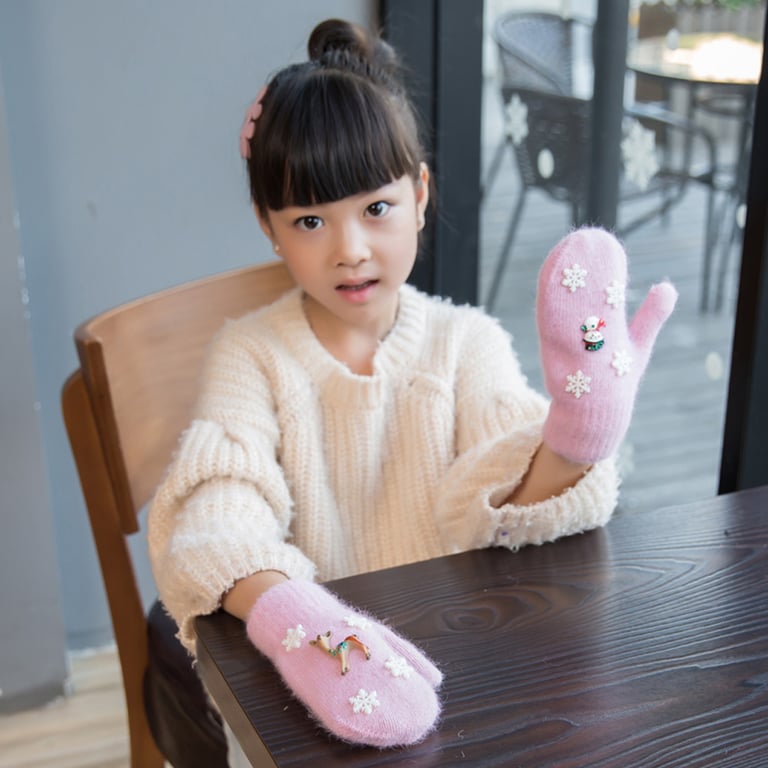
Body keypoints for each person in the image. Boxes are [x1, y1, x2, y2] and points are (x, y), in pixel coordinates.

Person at [146, 17, 677, 765]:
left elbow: (501, 499)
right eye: (309, 220)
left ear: (420, 193)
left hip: (468, 663)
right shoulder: (251, 354)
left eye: (376, 209)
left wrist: (577, 436)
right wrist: (300, 619)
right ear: (269, 227)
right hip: (320, 682)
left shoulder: (466, 342)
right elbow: (221, 508)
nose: (350, 250)